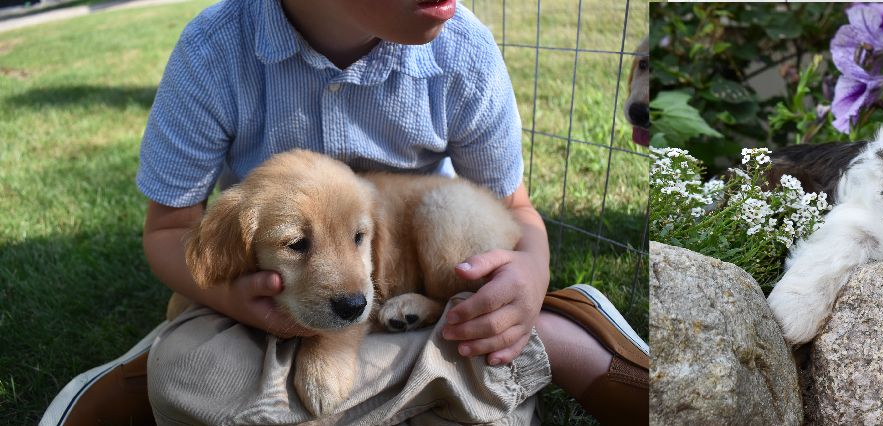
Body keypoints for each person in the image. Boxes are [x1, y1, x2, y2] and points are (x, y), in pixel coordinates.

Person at [38, 0, 647, 423]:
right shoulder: (215, 52)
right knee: (492, 398)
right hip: (277, 300)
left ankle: (171, 385)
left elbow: (514, 211)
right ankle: (533, 357)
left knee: (195, 387)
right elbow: (172, 228)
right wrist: (229, 302)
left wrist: (532, 271)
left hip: (435, 282)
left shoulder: (463, 52)